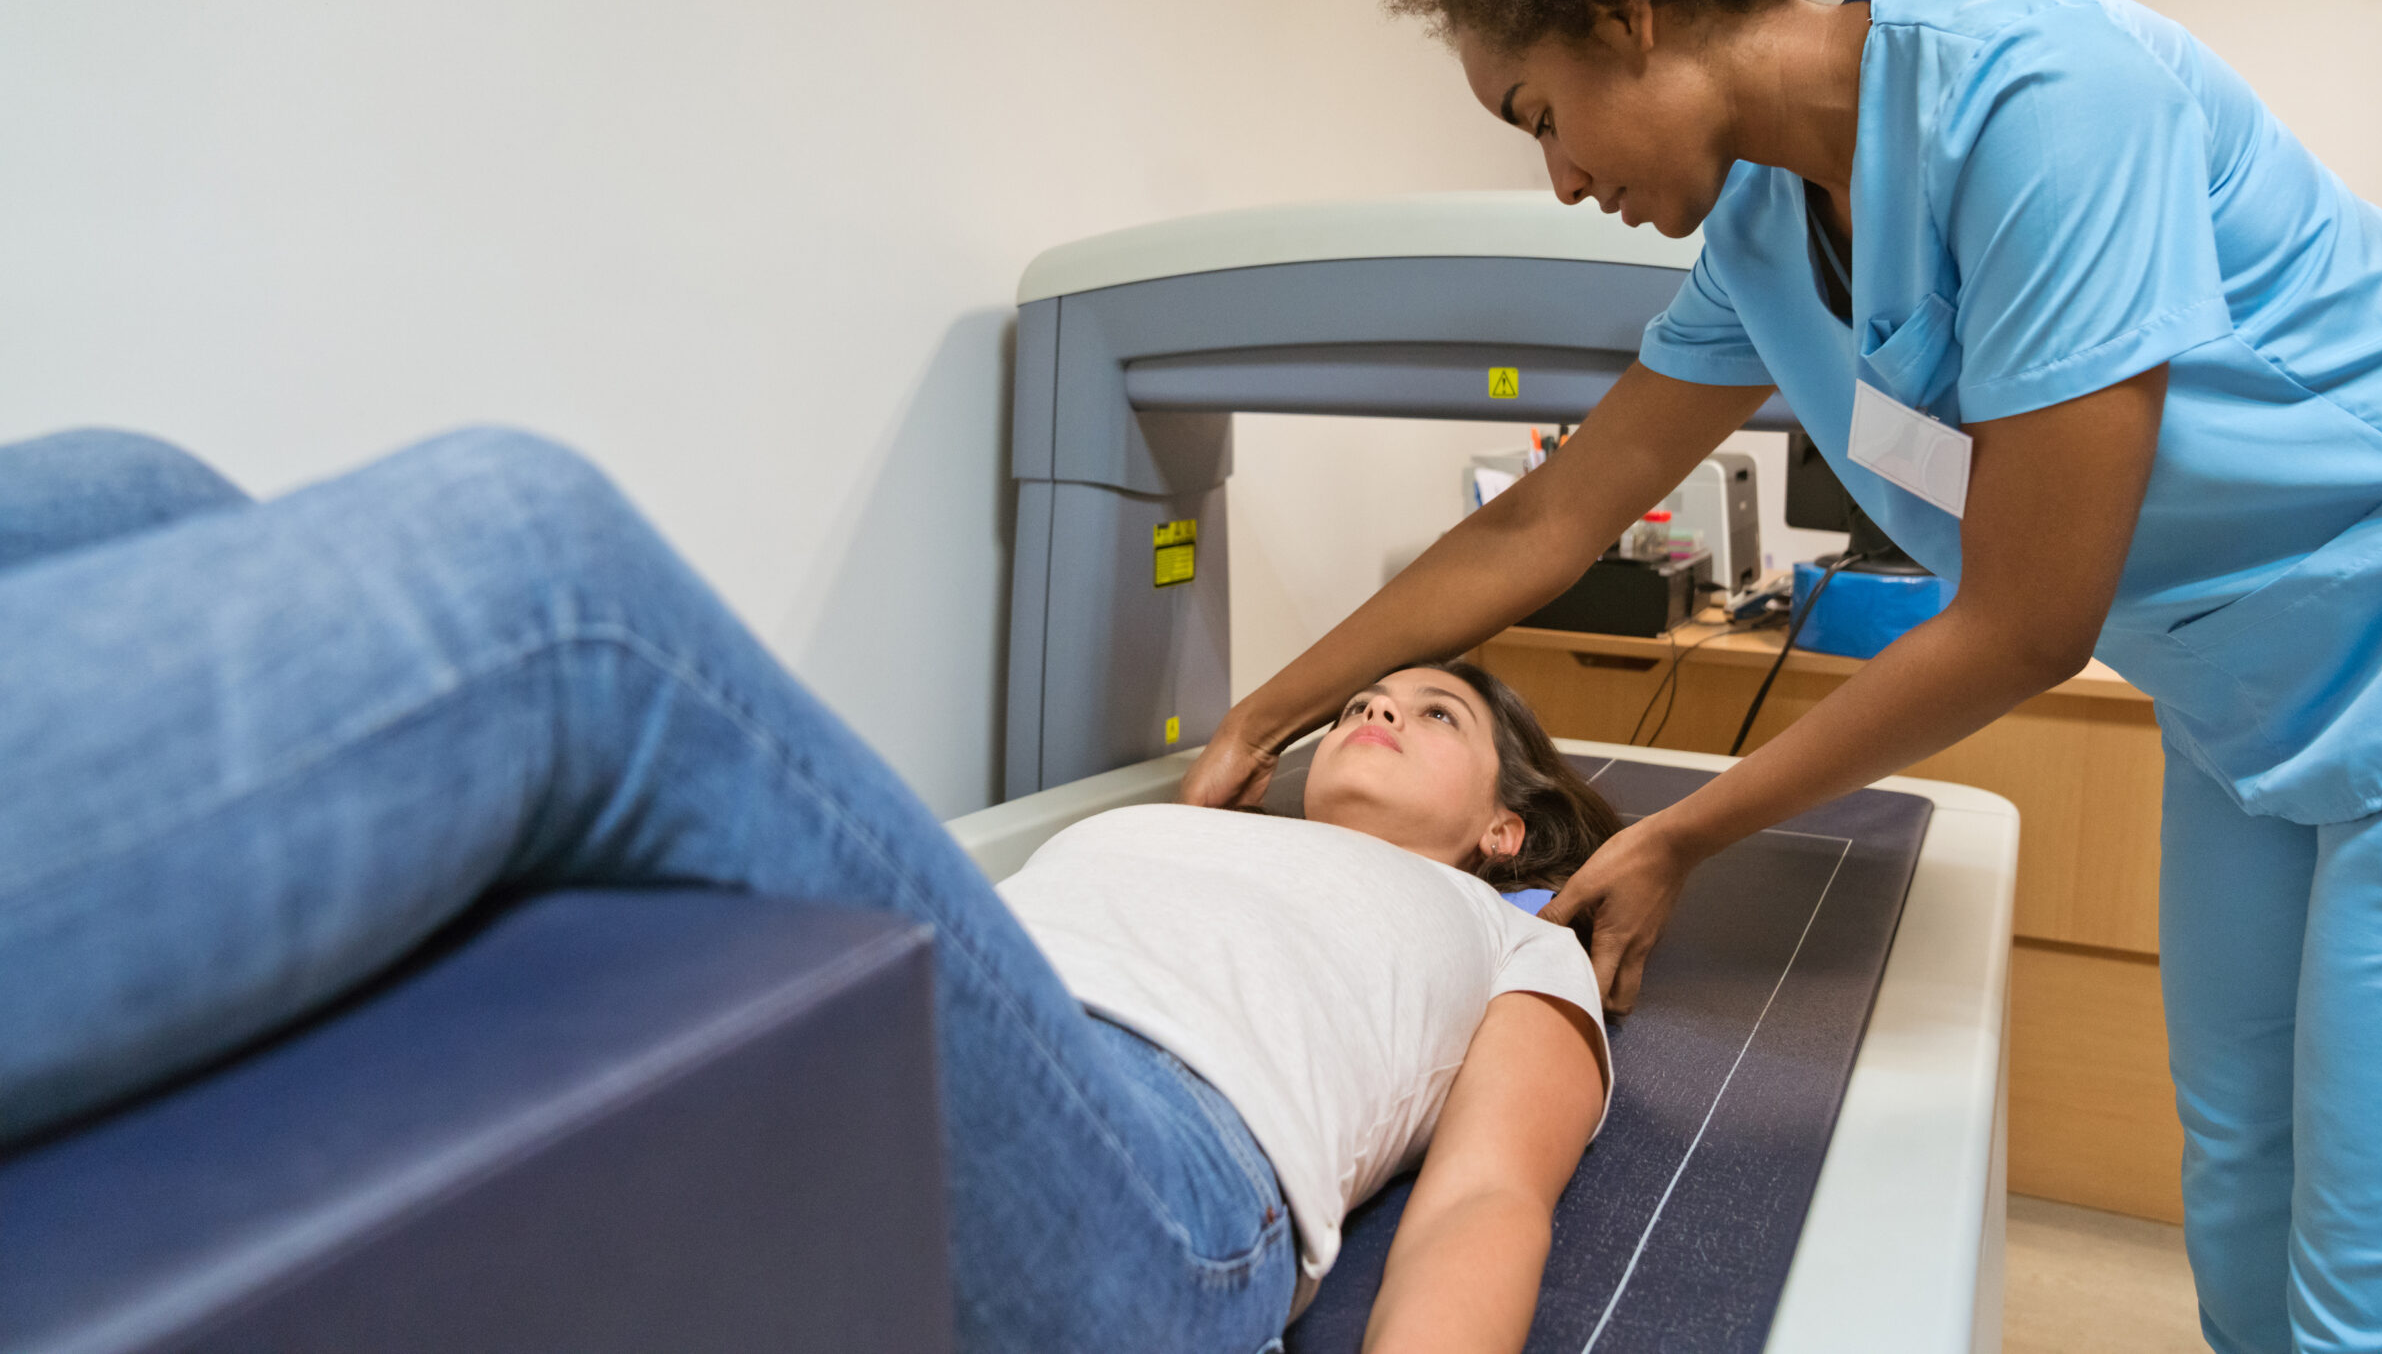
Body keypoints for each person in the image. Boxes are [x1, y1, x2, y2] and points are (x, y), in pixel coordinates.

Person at [1181, 0, 2382, 1354]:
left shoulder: (2042, 94)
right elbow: (1552, 518)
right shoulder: (1761, 234)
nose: (1559, 178)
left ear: (1627, 8)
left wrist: (1680, 835)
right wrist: (1259, 715)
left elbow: (2032, 618)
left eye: (1545, 113)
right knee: (2247, 1193)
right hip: (2243, 704)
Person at [0, 426, 1618, 1354]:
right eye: (1362, 695)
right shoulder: (1187, 818)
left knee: (558, 584)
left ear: (1504, 828)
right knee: (117, 492)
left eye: (1438, 711)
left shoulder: (1508, 942)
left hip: (1154, 1184)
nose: (1375, 704)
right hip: (900, 1012)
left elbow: (1487, 1202)